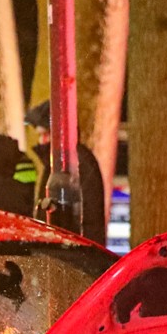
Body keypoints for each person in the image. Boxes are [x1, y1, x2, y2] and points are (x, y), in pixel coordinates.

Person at [26, 100, 106, 245]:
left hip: (73, 250)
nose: (41, 141)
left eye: (46, 134)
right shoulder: (61, 161)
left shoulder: (73, 162)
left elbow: (86, 215)